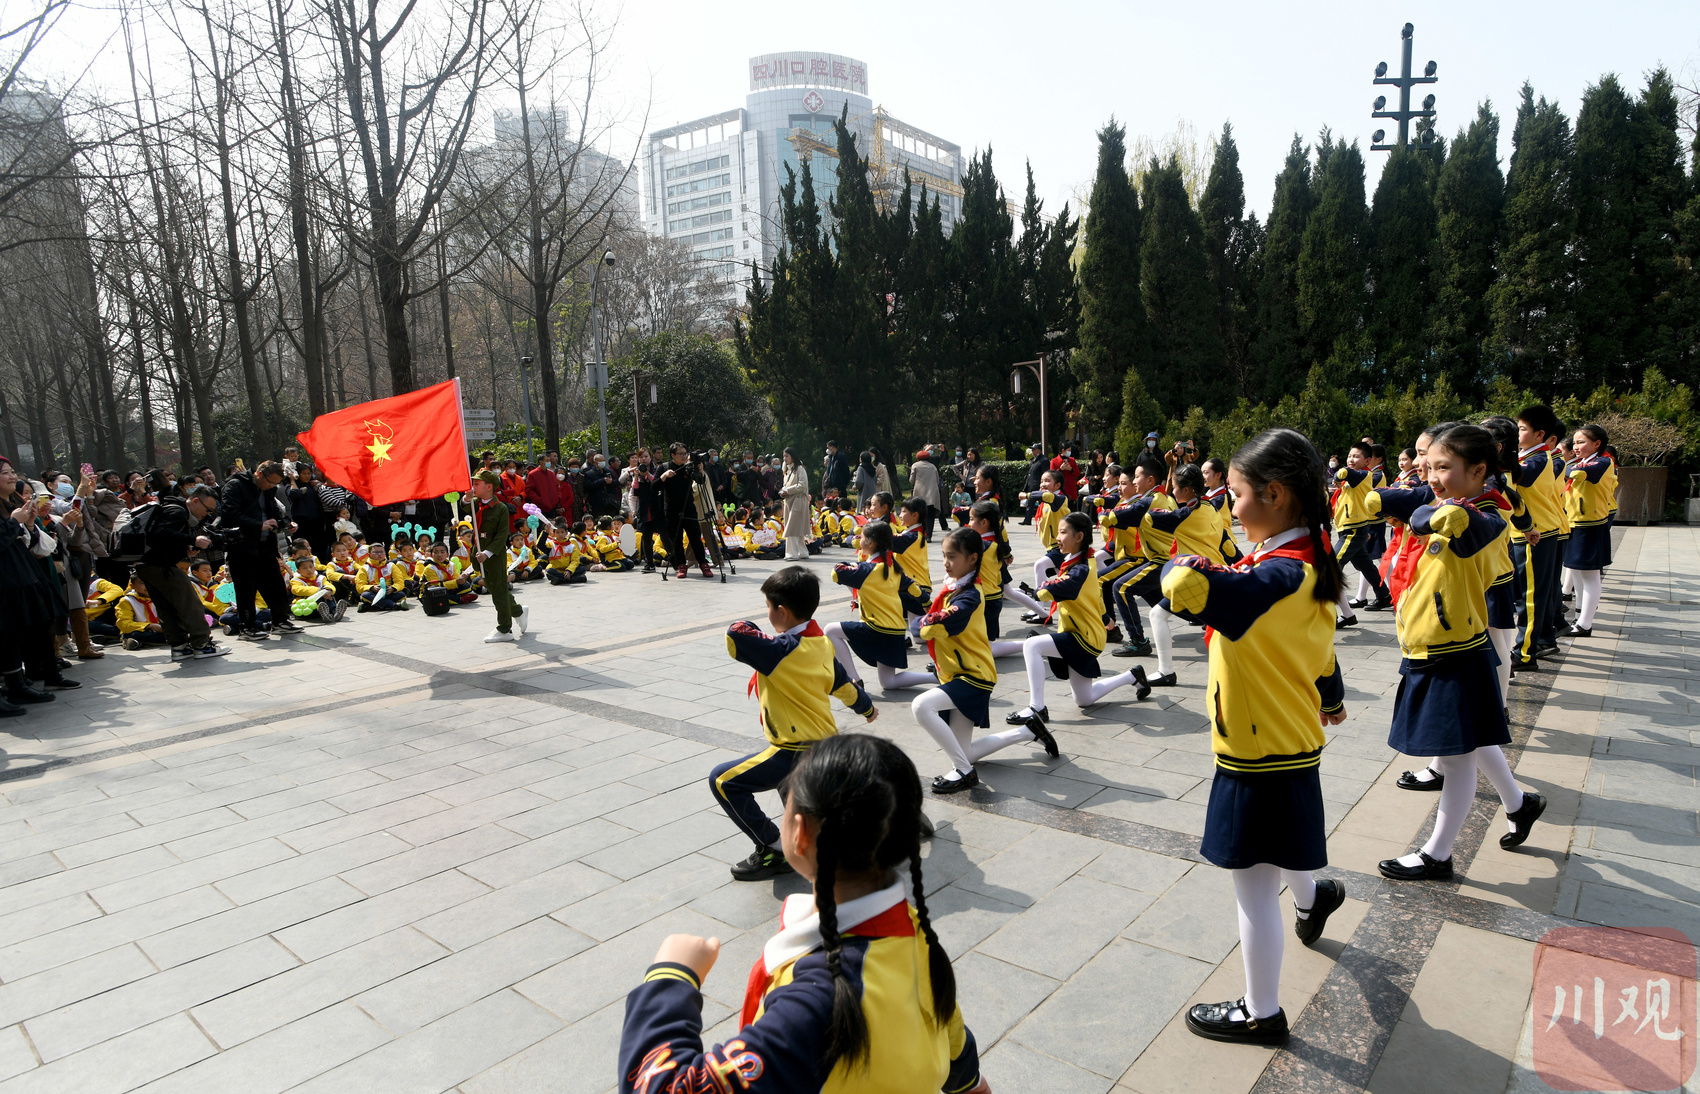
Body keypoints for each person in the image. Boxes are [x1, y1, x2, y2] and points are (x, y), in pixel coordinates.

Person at [620, 734, 986, 1094]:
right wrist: (971, 1082)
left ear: (799, 834)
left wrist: (671, 979)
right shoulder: (911, 927)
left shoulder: (818, 1000)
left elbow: (659, 1086)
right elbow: (946, 1024)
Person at [1158, 428, 1348, 1047]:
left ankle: (1261, 1011)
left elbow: (1191, 593)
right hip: (1286, 739)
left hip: (1257, 752)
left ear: (1273, 494)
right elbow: (1316, 647)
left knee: (1252, 889)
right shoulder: (1309, 558)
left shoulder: (1275, 578)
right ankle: (1315, 899)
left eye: (1233, 495)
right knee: (1280, 847)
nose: (1228, 507)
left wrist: (1183, 568)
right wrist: (1334, 694)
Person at [1372, 423, 1546, 882]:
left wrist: (1429, 513)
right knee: (1471, 741)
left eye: (1443, 467)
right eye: (1427, 466)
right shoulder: (1446, 504)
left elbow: (1461, 528)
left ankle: (1439, 853)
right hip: (1429, 650)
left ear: (1479, 470)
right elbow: (1393, 504)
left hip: (1454, 654)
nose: (1430, 476)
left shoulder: (1485, 518)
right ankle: (1519, 802)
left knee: (1456, 757)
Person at [711, 566, 876, 881]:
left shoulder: (781, 651)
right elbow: (841, 682)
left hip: (795, 750)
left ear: (782, 612)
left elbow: (735, 635)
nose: (767, 613)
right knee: (805, 810)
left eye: (769, 607)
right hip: (824, 744)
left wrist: (747, 623)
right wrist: (865, 707)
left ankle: (773, 848)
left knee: (723, 781)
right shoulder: (820, 643)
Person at [1006, 512, 1151, 734]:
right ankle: (1132, 676)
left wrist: (1038, 591)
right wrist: (1104, 618)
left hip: (1082, 636)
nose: (1058, 537)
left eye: (1063, 532)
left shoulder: (1081, 567)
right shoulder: (1083, 560)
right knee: (1084, 700)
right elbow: (1093, 594)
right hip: (1084, 632)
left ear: (1079, 536)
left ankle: (1037, 707)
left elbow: (1062, 587)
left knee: (1032, 645)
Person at [911, 527, 1004, 793]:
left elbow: (934, 623)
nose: (946, 563)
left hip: (973, 676)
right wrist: (923, 625)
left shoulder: (970, 594)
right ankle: (1029, 731)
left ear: (973, 558)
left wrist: (923, 623)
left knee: (921, 706)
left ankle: (964, 773)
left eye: (952, 556)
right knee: (966, 751)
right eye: (943, 556)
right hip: (956, 673)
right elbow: (921, 628)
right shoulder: (955, 587)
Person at [825, 521, 933, 691]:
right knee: (888, 682)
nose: (859, 540)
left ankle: (854, 680)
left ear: (870, 542)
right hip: (896, 632)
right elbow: (913, 586)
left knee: (830, 630)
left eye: (862, 537)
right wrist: (927, 603)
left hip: (878, 630)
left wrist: (854, 565)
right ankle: (935, 677)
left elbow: (836, 573)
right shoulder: (893, 569)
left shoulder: (867, 570)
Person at [133, 484, 228, 660]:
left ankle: (179, 647)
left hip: (146, 565)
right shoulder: (178, 511)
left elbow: (162, 539)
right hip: (161, 566)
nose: (206, 515)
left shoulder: (170, 508)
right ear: (196, 501)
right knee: (189, 603)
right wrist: (193, 539)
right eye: (207, 510)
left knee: (166, 607)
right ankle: (202, 644)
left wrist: (185, 548)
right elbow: (160, 533)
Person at [219, 462, 303, 641]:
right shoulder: (235, 486)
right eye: (270, 482)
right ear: (259, 474)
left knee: (275, 585)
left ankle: (280, 621)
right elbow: (229, 514)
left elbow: (273, 512)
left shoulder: (268, 489)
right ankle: (247, 627)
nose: (271, 487)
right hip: (242, 546)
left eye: (275, 484)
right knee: (246, 589)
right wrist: (258, 525)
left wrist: (286, 524)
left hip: (265, 545)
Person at [1511, 404, 1567, 669]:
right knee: (1529, 594)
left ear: (1540, 434)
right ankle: (1540, 641)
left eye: (1522, 429)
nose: (1517, 433)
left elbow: (1515, 477)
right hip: (1530, 532)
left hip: (1536, 534)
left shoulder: (1538, 459)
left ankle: (1524, 653)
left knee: (1530, 597)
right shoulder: (1528, 456)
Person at [1331, 440, 1392, 626]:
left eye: (1356, 456)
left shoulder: (1364, 475)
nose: (1351, 459)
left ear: (1368, 461)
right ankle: (1384, 595)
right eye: (1350, 455)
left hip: (1353, 530)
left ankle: (1338, 613)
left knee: (1330, 566)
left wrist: (1338, 474)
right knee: (1366, 566)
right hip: (1349, 529)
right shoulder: (1354, 479)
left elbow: (1345, 472)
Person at [1562, 422, 1613, 638]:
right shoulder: (1584, 461)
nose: (1575, 446)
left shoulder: (1603, 462)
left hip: (1590, 525)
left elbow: (1572, 472)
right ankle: (1581, 616)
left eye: (1581, 442)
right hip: (1577, 523)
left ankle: (1585, 624)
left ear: (1597, 444)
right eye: (1574, 442)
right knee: (1579, 573)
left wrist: (1571, 467)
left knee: (1591, 575)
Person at [470, 469, 527, 642]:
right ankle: (518, 611)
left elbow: (502, 535)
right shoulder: (474, 503)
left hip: (493, 554)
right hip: (477, 552)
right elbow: (464, 505)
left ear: (489, 487)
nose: (473, 486)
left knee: (499, 592)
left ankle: (504, 629)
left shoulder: (501, 508)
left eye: (477, 484)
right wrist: (466, 498)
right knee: (495, 587)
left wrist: (487, 554)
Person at [657, 443, 713, 579]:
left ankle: (704, 564)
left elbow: (700, 482)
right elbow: (654, 487)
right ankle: (681, 565)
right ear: (672, 455)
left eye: (685, 453)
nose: (684, 456)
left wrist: (700, 470)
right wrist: (664, 477)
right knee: (676, 539)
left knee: (695, 537)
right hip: (671, 509)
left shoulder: (689, 467)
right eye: (680, 454)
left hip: (689, 508)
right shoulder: (664, 467)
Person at [779, 447, 811, 561]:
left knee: (792, 528)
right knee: (797, 528)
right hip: (790, 501)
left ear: (793, 456)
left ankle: (792, 554)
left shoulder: (800, 469)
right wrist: (784, 491)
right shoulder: (787, 470)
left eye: (787, 456)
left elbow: (802, 485)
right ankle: (802, 552)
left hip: (798, 501)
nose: (785, 458)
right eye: (784, 456)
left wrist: (787, 490)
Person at [908, 446, 943, 540]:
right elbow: (937, 480)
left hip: (919, 494)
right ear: (929, 457)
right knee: (930, 516)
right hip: (932, 494)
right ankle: (929, 536)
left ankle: (921, 534)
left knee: (920, 516)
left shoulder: (915, 465)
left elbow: (911, 480)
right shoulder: (933, 467)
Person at [1021, 444, 1049, 525]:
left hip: (1038, 486)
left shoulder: (1044, 460)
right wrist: (1026, 486)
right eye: (1032, 449)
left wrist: (1043, 485)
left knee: (1041, 504)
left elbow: (1045, 473)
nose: (1033, 451)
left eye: (1034, 449)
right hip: (1031, 485)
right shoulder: (1033, 460)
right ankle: (1027, 520)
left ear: (1039, 450)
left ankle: (1043, 519)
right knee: (1030, 504)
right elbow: (1029, 475)